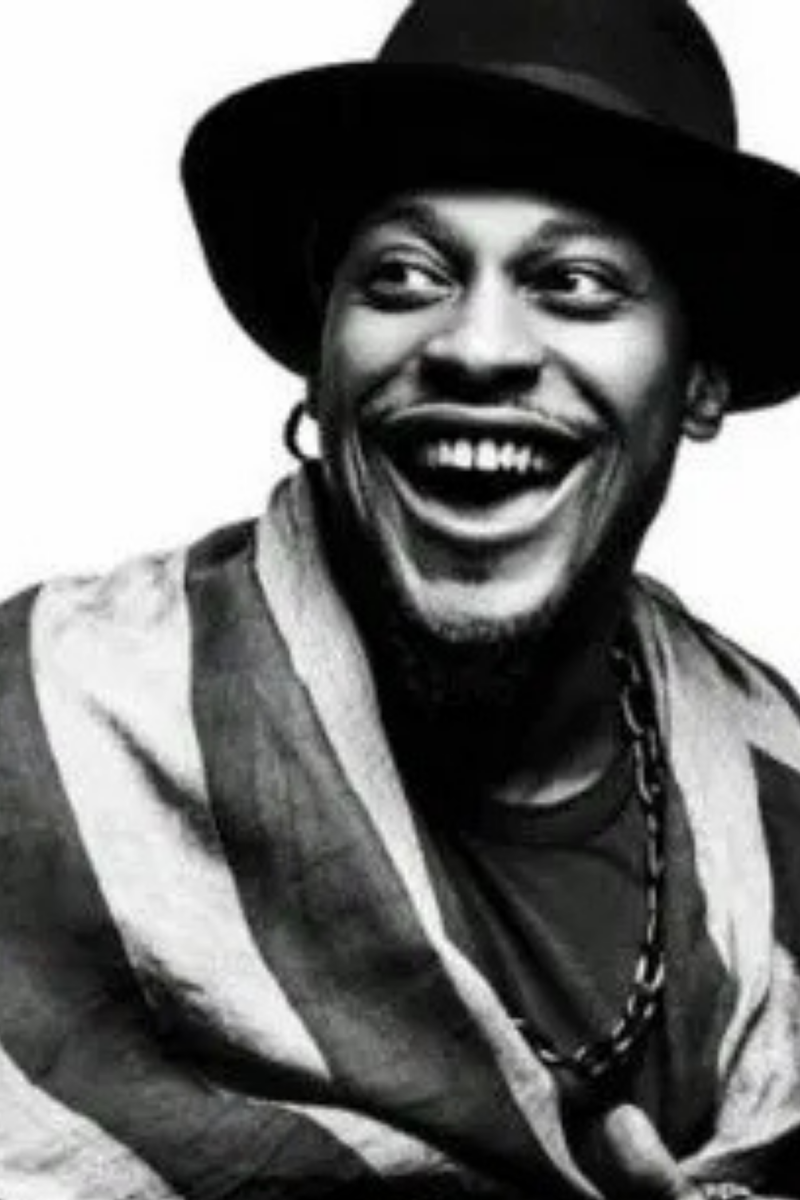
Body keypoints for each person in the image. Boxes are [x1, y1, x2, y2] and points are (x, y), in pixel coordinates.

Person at [3, 0, 800, 1196]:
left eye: (576, 283)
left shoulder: (780, 800)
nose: (475, 346)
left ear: (696, 383)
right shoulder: (46, 733)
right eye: (403, 276)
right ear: (323, 363)